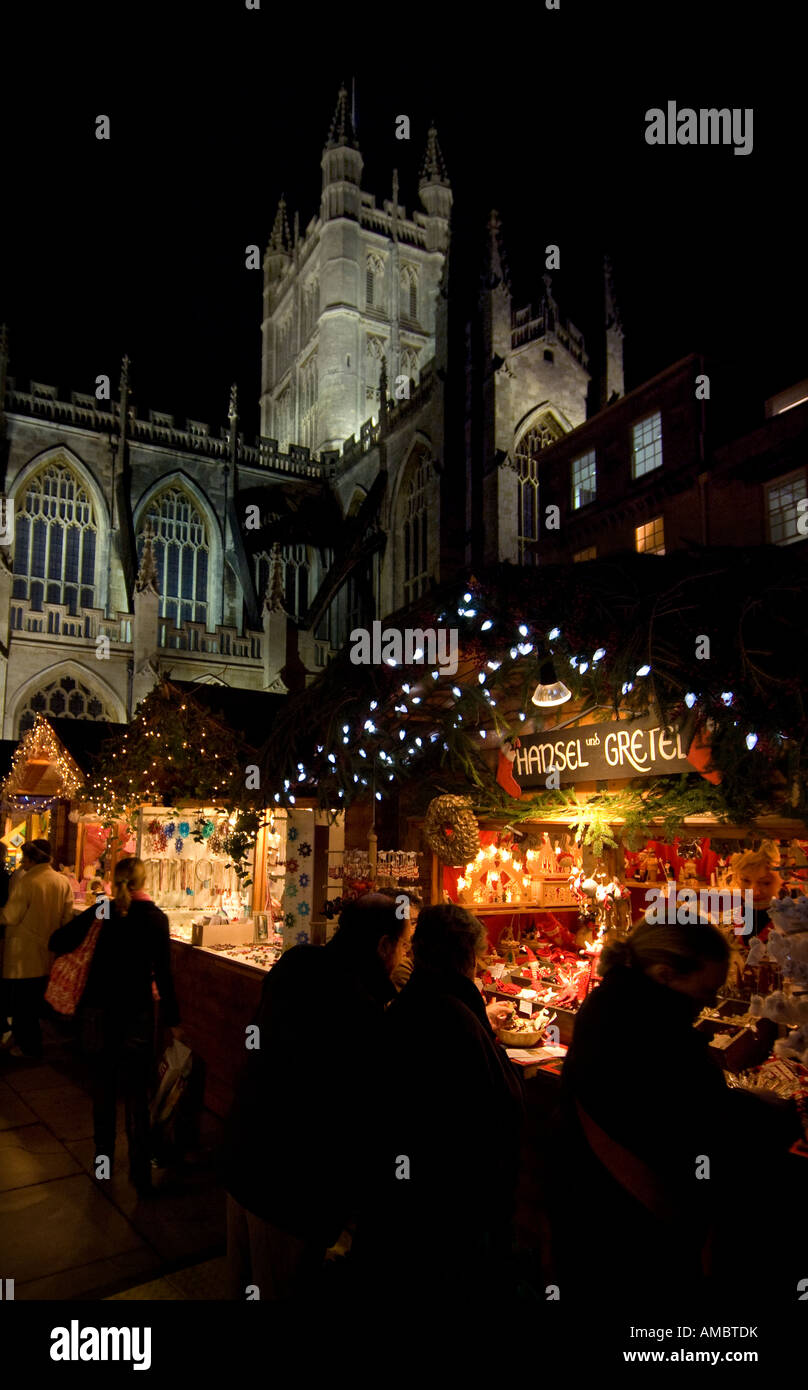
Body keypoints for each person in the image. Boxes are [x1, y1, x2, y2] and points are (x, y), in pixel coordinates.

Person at [555, 918, 760, 1304]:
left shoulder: (612, 1007)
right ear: (665, 975)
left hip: (590, 1218)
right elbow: (692, 1123)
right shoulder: (654, 1033)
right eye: (706, 992)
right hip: (633, 1232)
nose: (709, 1003)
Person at [221, 892, 413, 1301]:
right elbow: (353, 1106)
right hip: (288, 1187)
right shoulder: (359, 1006)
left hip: (244, 1151)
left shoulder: (297, 962)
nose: (404, 957)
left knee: (241, 1282)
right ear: (382, 946)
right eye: (403, 946)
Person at [355, 903, 525, 1295]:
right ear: (468, 957)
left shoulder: (411, 1005)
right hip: (449, 1216)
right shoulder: (454, 1017)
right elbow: (495, 1114)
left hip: (397, 1210)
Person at [49, 856, 181, 1196]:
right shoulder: (155, 919)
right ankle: (141, 1177)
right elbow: (164, 975)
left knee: (104, 1092)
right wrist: (174, 1021)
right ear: (144, 881)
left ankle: (103, 1165)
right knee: (137, 1097)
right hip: (135, 1015)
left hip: (98, 1013)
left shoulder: (105, 911)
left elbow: (59, 941)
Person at [0, 839, 74, 1059]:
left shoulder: (27, 882)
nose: (23, 863)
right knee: (34, 1002)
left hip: (24, 953)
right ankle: (30, 1043)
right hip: (47, 950)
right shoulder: (62, 882)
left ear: (32, 859)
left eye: (25, 858)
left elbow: (11, 916)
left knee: (22, 1006)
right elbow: (66, 918)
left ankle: (28, 1047)